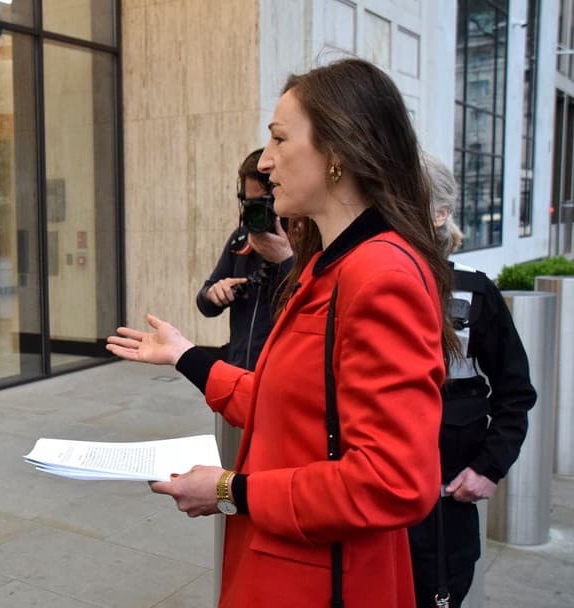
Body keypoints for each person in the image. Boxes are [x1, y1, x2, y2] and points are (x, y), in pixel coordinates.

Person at [107, 58, 457, 607]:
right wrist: (184, 355)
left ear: (338, 151)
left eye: (279, 138)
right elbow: (292, 406)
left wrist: (230, 489)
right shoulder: (331, 266)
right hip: (292, 567)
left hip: (323, 581)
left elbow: (392, 481)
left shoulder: (379, 274)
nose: (266, 161)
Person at [408, 154, 537, 608]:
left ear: (441, 214)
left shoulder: (474, 292)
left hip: (445, 507)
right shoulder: (359, 283)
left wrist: (488, 468)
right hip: (373, 502)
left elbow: (515, 392)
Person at [197, 148, 294, 371]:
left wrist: (285, 260)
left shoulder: (306, 240)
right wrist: (213, 294)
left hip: (280, 375)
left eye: (264, 202)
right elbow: (204, 302)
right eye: (250, 203)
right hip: (239, 372)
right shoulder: (240, 238)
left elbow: (315, 308)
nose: (256, 212)